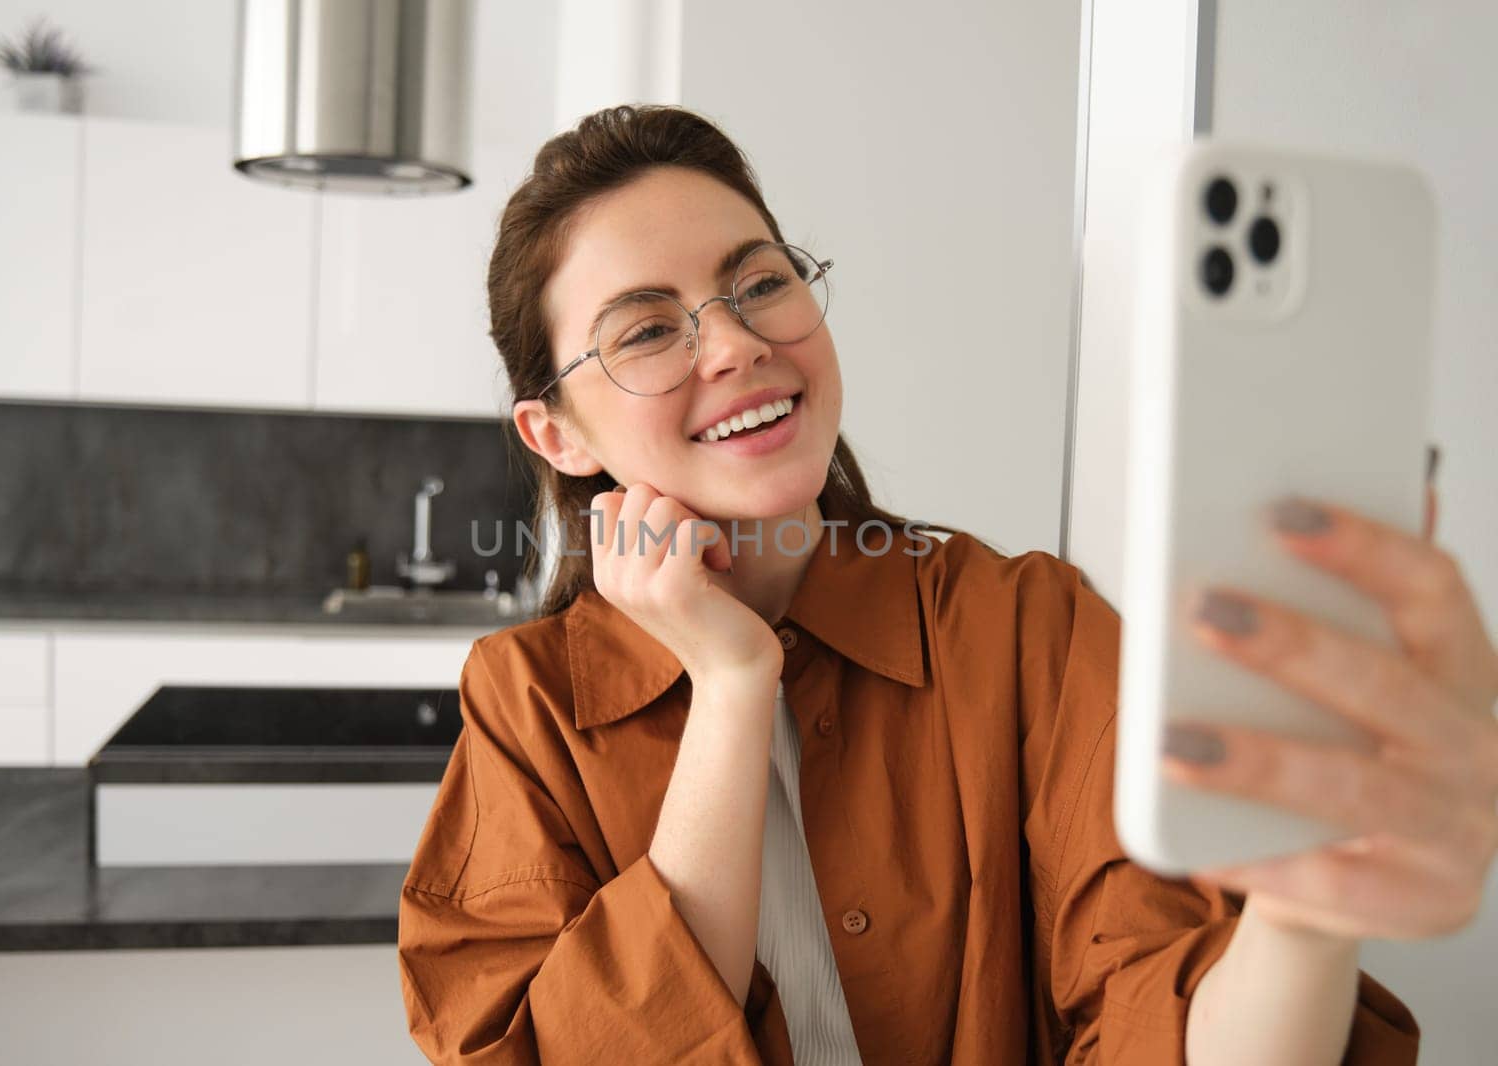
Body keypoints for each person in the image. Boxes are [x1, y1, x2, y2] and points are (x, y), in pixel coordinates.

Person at [398, 105, 1498, 1064]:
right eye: (645, 329)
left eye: (760, 282)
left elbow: (1165, 999)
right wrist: (733, 684)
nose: (733, 344)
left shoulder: (1029, 628)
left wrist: (1301, 921)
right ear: (557, 432)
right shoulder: (528, 703)